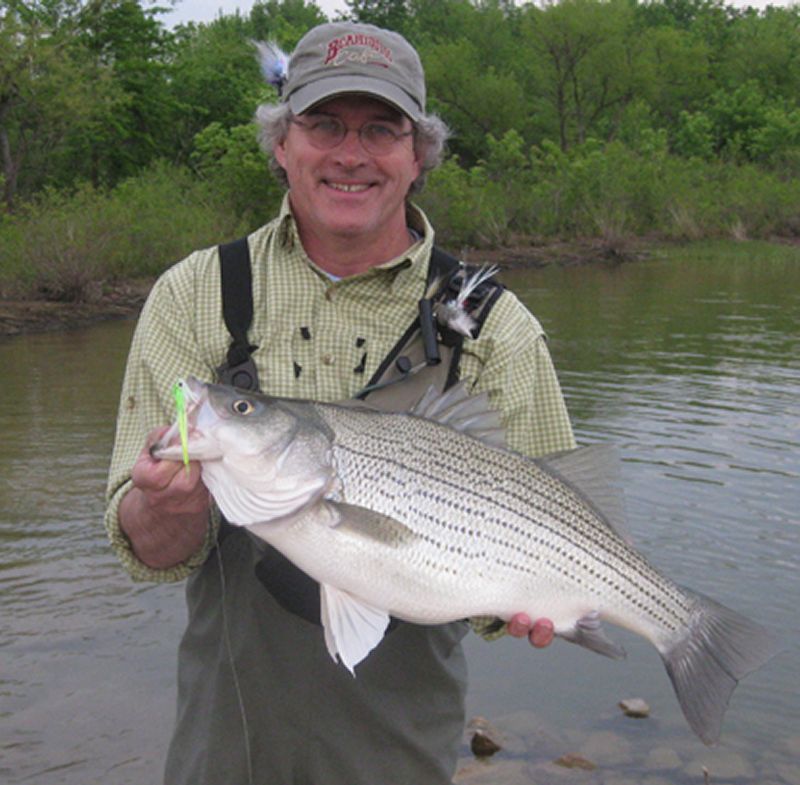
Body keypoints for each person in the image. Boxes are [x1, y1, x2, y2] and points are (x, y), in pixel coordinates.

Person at [105, 21, 576, 785]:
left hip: (399, 751)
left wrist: (536, 595)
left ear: (419, 154)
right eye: (323, 124)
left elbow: (557, 511)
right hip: (226, 745)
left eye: (381, 129)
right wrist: (165, 505)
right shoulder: (195, 294)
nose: (350, 154)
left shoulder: (494, 326)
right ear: (281, 143)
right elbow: (148, 547)